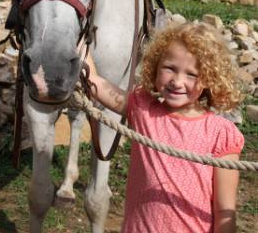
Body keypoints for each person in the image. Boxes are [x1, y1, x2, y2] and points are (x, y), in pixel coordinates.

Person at [86, 22, 244, 233]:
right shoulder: (144, 111)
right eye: (170, 68)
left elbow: (225, 210)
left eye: (192, 74)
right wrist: (76, 39)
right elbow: (94, 80)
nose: (177, 82)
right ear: (156, 66)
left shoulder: (220, 133)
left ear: (209, 78)